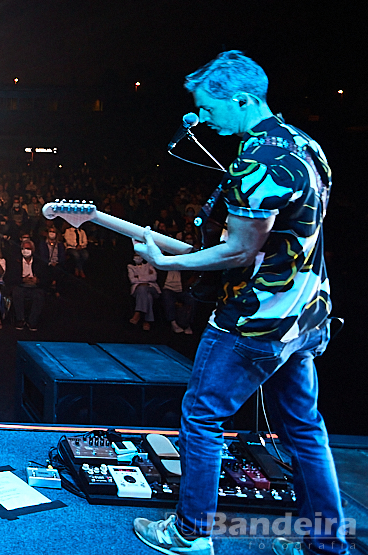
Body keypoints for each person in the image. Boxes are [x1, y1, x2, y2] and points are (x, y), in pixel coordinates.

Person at [131, 51, 346, 555]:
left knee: (202, 417)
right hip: (307, 314)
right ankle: (325, 544)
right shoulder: (303, 144)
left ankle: (190, 533)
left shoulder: (260, 160)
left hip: (256, 320)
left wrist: (168, 263)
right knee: (305, 429)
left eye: (209, 107)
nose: (201, 118)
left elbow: (240, 250)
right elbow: (280, 241)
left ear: (244, 100)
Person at [127, 253, 159, 331]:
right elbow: (132, 280)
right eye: (135, 255)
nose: (137, 257)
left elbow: (154, 277)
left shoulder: (149, 265)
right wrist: (147, 278)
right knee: (148, 296)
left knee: (143, 288)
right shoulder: (130, 267)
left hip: (152, 287)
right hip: (138, 289)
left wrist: (139, 278)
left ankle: (138, 312)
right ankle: (147, 320)